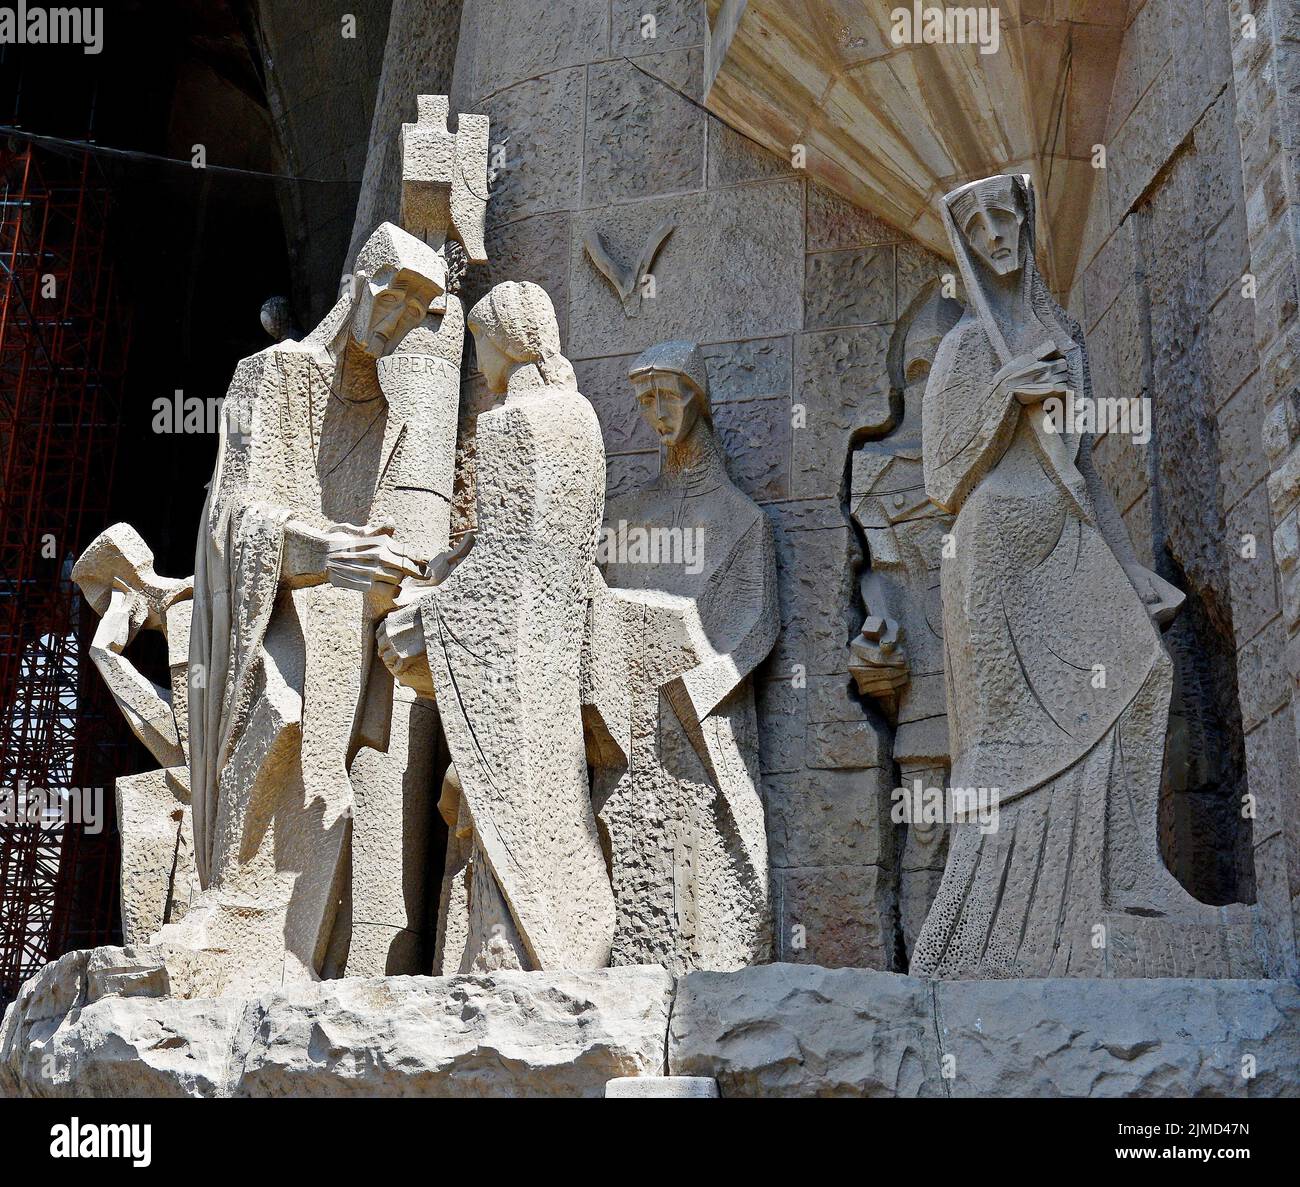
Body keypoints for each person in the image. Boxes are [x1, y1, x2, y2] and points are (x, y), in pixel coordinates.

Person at [910, 174, 1197, 980]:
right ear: (965, 244)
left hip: (1064, 532)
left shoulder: (1065, 331)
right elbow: (941, 481)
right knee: (1010, 738)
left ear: (1028, 222)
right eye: (977, 224)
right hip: (996, 548)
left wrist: (1126, 562)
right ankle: (977, 937)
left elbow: (1087, 469)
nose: (996, 232)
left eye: (1006, 215)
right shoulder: (970, 347)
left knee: (1146, 672)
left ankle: (1134, 874)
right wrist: (1005, 396)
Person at [377, 281, 616, 972]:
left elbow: (509, 567)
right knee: (548, 797)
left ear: (504, 342)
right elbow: (540, 551)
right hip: (550, 649)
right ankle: (568, 943)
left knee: (500, 797)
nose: (479, 362)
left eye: (481, 343)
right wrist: (466, 558)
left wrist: (427, 612)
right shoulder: (579, 418)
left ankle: (507, 951)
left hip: (506, 654)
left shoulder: (513, 423)